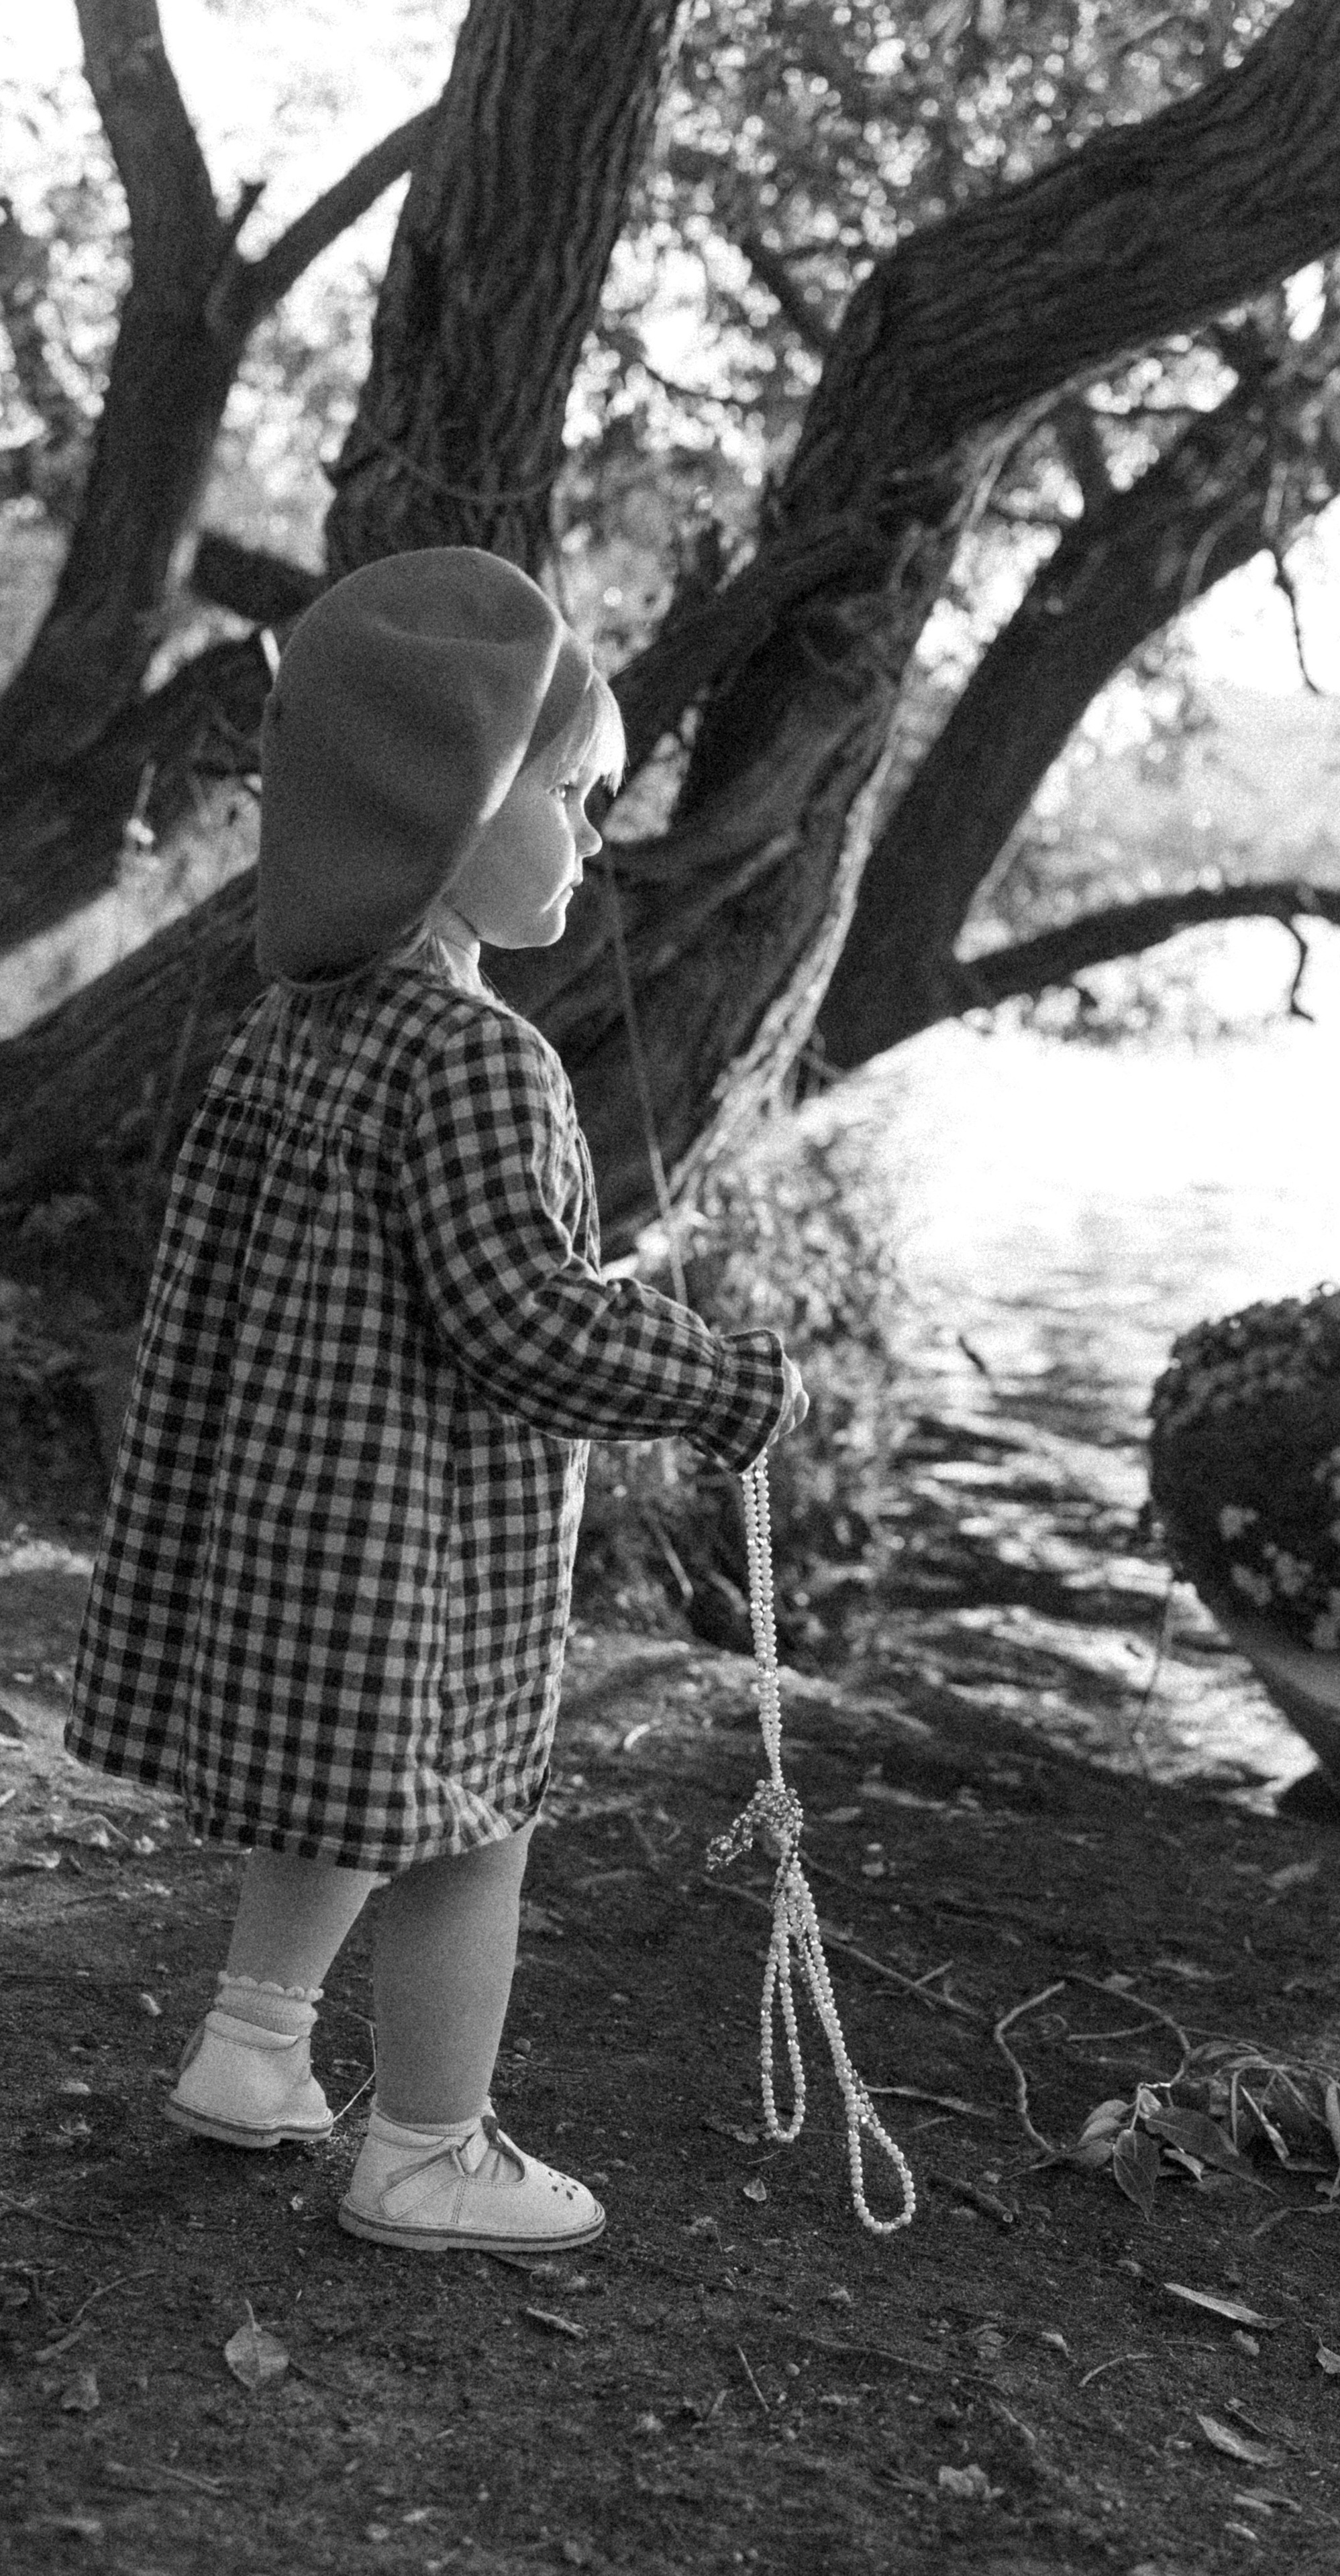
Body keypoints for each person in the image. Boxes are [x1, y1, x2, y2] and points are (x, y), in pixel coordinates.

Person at [67, 547, 807, 2256]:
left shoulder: (297, 1025)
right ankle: (426, 2147)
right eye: (572, 794)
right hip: (419, 1555)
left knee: (343, 1796)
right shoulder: (481, 1056)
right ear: (448, 801)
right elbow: (519, 1324)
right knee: (468, 1836)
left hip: (286, 1533)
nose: (596, 834)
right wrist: (720, 1380)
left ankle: (254, 2046)